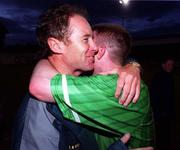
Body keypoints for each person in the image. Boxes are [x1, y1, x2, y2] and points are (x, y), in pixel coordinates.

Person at [11, 4, 141, 150]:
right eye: (86, 39)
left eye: (92, 38)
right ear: (56, 46)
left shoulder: (82, 82)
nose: (95, 47)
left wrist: (132, 65)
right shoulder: (42, 106)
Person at [29, 23, 154, 149]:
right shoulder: (116, 81)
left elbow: (39, 85)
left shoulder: (110, 87)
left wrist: (45, 59)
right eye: (85, 40)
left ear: (99, 51)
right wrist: (134, 64)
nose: (90, 47)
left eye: (90, 41)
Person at [150, 56, 175, 150]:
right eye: (169, 64)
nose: (171, 66)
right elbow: (154, 95)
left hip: (166, 113)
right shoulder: (159, 77)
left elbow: (170, 97)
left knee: (166, 134)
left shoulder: (169, 77)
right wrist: (159, 112)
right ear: (163, 65)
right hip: (160, 114)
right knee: (161, 135)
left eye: (172, 64)